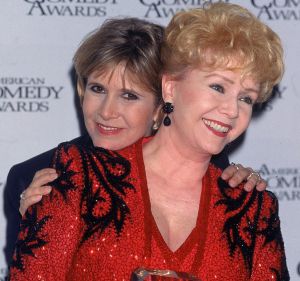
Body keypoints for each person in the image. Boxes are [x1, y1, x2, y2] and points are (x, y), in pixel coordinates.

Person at [9, 3, 286, 279]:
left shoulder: (253, 208)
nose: (232, 110)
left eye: (245, 98)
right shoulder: (77, 176)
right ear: (170, 87)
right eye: (218, 87)